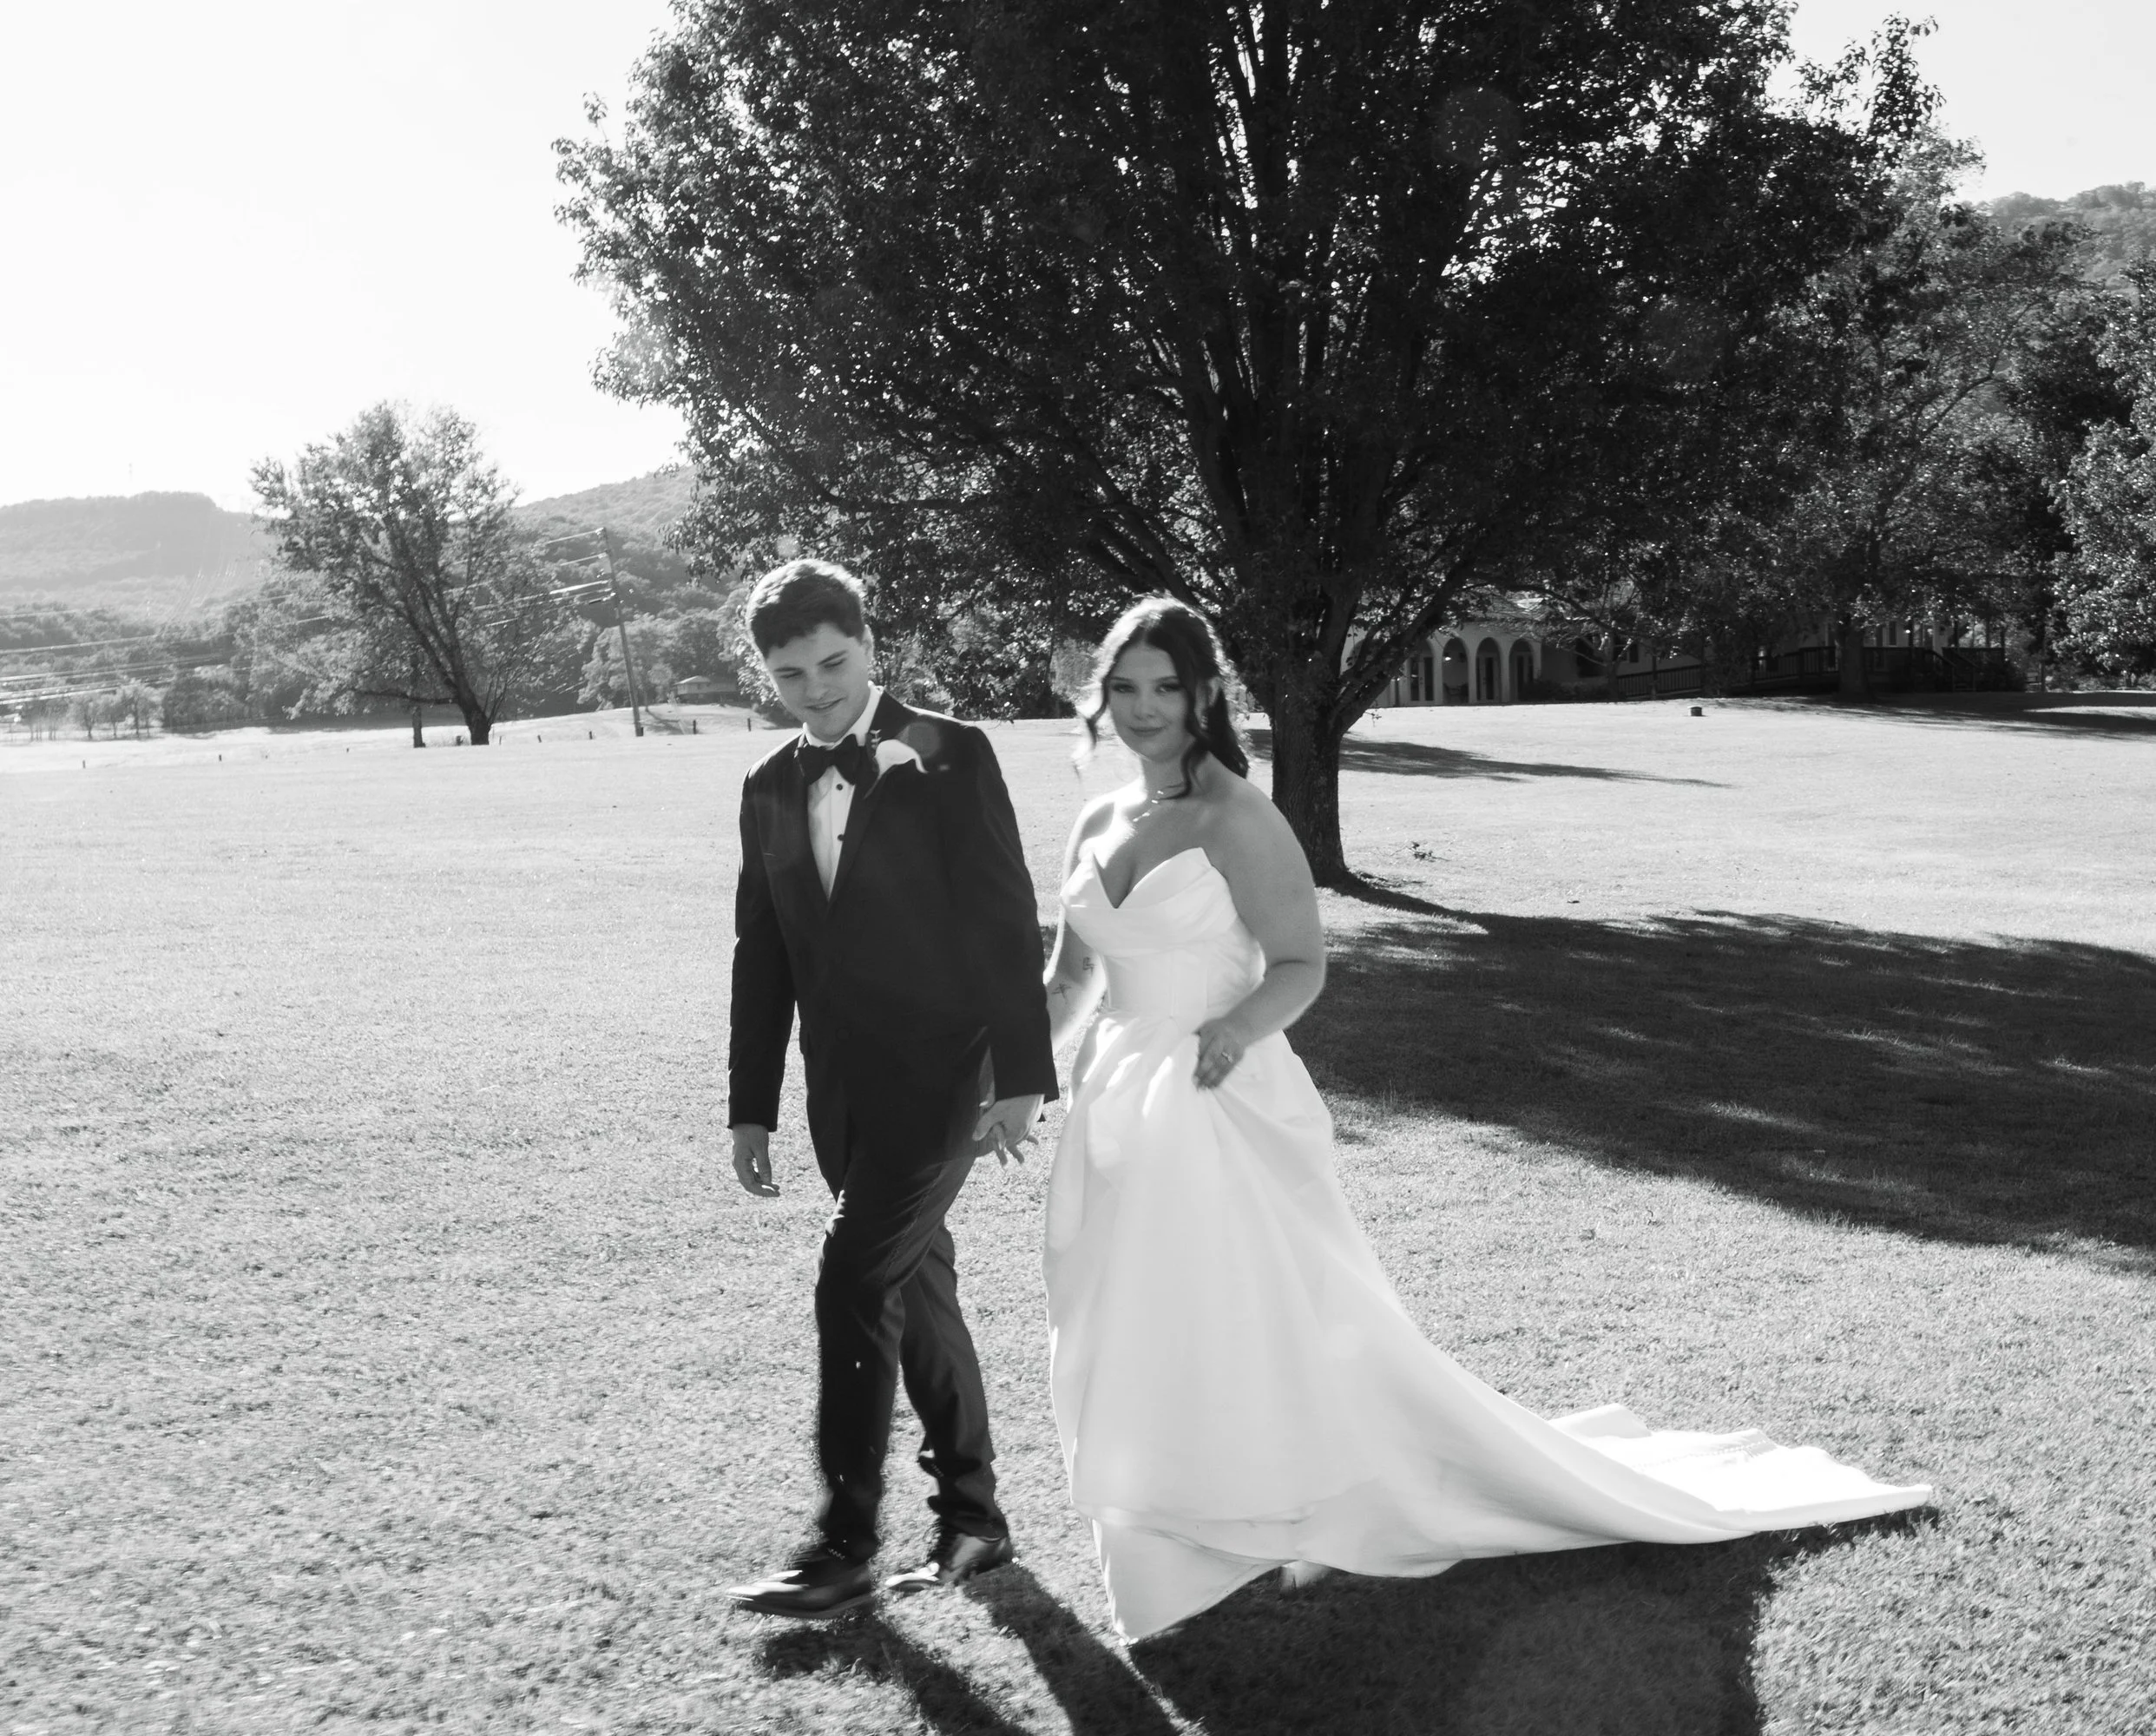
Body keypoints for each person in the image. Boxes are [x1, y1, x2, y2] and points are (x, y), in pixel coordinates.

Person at [1040, 598, 1931, 1641]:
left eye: (1167, 687)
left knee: (1241, 1304)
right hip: (1116, 1103)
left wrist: (1231, 1032)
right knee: (1123, 1303)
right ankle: (1164, 1502)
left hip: (1212, 1096)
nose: (1145, 709)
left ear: (1204, 695)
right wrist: (1009, 1075)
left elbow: (1300, 964)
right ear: (1101, 694)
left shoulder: (1238, 814)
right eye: (1127, 687)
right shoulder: (1098, 818)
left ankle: (1264, 1506)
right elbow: (1070, 975)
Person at [722, 560, 1055, 1620]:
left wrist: (1022, 1075)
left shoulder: (954, 751)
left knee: (851, 1277)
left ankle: (843, 1543)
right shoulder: (766, 785)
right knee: (914, 1295)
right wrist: (750, 1102)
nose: (815, 688)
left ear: (871, 645)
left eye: (833, 662)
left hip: (946, 1077)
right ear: (765, 674)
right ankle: (975, 1520)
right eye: (790, 673)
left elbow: (1005, 915)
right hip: (841, 1095)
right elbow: (762, 952)